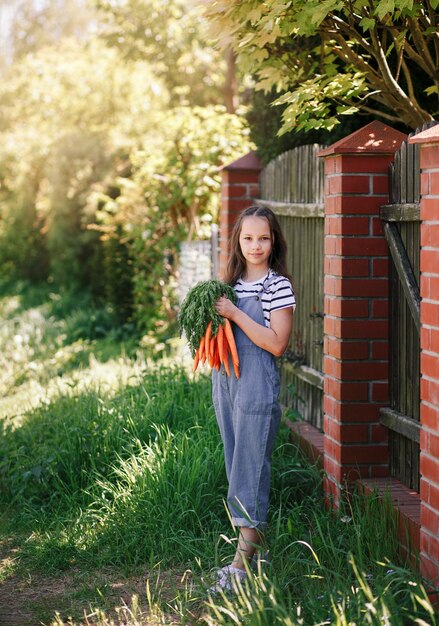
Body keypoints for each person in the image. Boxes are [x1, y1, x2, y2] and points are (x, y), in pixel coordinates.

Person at [209, 204, 295, 594]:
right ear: (238, 241)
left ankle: (240, 566)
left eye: (263, 238)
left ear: (273, 240)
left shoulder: (276, 286)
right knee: (234, 462)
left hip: (256, 382)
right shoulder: (230, 283)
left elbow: (276, 343)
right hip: (226, 379)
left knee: (250, 466)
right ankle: (252, 553)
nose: (255, 245)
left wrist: (235, 314)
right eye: (248, 238)